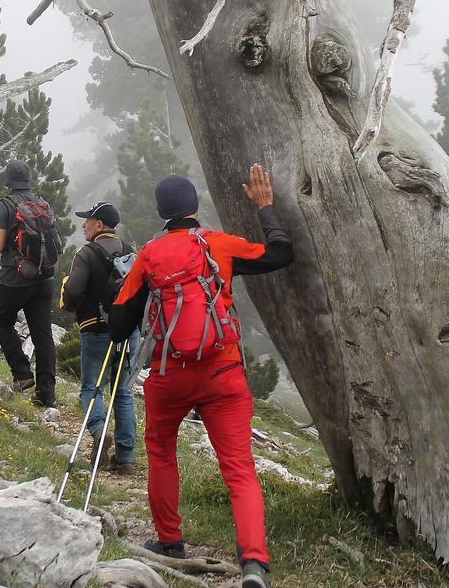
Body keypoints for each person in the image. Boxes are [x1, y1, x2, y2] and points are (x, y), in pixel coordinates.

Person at [107, 165, 293, 588]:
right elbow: (281, 253)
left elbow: (119, 324)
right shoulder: (219, 246)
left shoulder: (150, 255)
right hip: (223, 372)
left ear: (162, 213)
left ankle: (170, 541)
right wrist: (265, 208)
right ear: (194, 207)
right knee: (239, 467)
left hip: (169, 376)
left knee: (161, 452)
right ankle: (253, 562)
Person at [0, 159, 60, 408]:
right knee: (42, 334)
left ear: (8, 182)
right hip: (44, 278)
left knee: (3, 321)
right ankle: (46, 393)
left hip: (15, 279)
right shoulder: (43, 204)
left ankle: (21, 374)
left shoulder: (6, 205)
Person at [60, 201, 138, 475]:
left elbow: (72, 293)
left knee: (92, 388)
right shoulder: (130, 251)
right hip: (129, 332)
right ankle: (126, 457)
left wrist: (71, 308)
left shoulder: (87, 253)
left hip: (96, 329)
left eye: (88, 220)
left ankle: (97, 429)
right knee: (123, 391)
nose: (84, 224)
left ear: (100, 225)